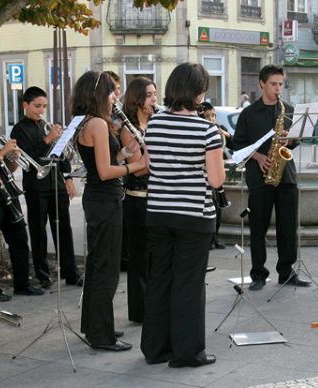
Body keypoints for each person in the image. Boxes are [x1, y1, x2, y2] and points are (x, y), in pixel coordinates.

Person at [140, 62, 224, 367]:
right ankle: (187, 353)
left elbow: (150, 165)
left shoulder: (155, 124)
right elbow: (216, 181)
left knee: (160, 280)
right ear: (198, 93)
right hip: (194, 215)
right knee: (188, 283)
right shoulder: (206, 129)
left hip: (159, 213)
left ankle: (155, 348)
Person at [72, 71, 144, 351]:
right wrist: (136, 165)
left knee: (97, 265)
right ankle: (102, 336)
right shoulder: (98, 125)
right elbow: (104, 171)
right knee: (107, 269)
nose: (117, 96)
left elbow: (103, 161)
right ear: (99, 93)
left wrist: (125, 152)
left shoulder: (86, 122)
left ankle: (94, 326)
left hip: (97, 198)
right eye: (113, 90)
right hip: (105, 198)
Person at [233, 64, 310, 291]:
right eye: (274, 84)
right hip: (259, 178)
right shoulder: (248, 114)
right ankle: (258, 274)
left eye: (281, 84)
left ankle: (287, 272)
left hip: (285, 176)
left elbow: (297, 141)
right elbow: (238, 146)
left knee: (288, 228)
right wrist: (257, 156)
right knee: (258, 228)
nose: (278, 89)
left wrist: (291, 140)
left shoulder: (289, 110)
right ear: (262, 84)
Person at [0, 100, 45, 298]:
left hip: (9, 193)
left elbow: (9, 169)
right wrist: (3, 152)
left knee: (20, 239)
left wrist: (13, 158)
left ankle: (22, 283)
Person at [10, 86, 81, 289]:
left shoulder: (46, 125)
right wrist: (48, 139)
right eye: (37, 106)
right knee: (38, 231)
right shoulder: (19, 129)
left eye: (44, 106)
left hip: (56, 183)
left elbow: (60, 154)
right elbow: (30, 157)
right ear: (25, 105)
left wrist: (67, 177)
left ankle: (70, 272)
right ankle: (42, 274)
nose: (41, 110)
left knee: (63, 228)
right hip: (36, 186)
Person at [119, 76, 155, 323]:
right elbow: (138, 168)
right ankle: (140, 312)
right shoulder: (127, 129)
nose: (155, 99)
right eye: (150, 95)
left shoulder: (155, 123)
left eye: (155, 94)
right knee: (140, 257)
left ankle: (154, 304)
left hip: (156, 197)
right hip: (137, 198)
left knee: (155, 257)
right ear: (138, 99)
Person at [199, 101, 232, 250]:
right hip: (205, 175)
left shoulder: (220, 129)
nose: (211, 119)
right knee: (210, 207)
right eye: (207, 116)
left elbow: (233, 145)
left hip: (217, 173)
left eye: (213, 116)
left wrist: (226, 135)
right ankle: (209, 240)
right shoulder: (201, 131)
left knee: (218, 209)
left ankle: (215, 239)